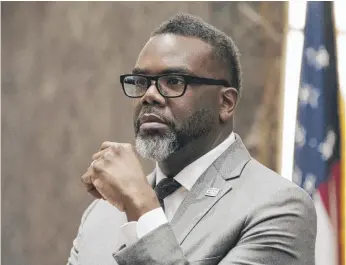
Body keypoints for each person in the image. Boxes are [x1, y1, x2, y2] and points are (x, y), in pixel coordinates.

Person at [67, 13, 317, 265]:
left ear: (226, 102)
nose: (149, 95)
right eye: (141, 81)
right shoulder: (100, 214)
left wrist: (141, 206)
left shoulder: (279, 207)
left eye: (174, 81)